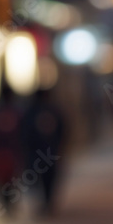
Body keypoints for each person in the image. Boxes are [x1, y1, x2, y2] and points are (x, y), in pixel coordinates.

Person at [22, 87, 65, 215]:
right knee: (49, 178)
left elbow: (25, 133)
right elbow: (63, 130)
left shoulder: (30, 111)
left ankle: (44, 203)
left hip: (35, 153)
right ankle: (48, 202)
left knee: (36, 179)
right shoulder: (54, 110)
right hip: (50, 152)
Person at [0, 81, 23, 216]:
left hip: (0, 150)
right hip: (11, 150)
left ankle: (6, 202)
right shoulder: (16, 111)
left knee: (3, 178)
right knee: (10, 178)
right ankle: (9, 202)